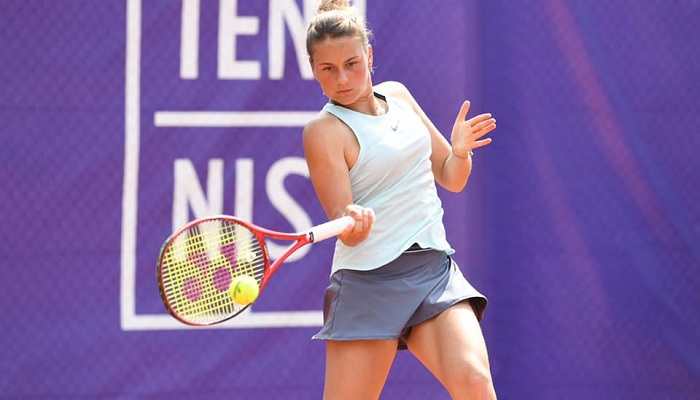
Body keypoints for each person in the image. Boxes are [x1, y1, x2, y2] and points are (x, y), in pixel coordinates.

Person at [302, 1, 498, 398]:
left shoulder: (399, 96)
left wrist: (460, 153)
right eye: (328, 69)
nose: (343, 78)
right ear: (314, 70)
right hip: (368, 281)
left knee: (475, 383)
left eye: (352, 63)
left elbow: (451, 177)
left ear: (369, 56)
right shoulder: (323, 132)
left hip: (432, 270)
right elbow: (346, 225)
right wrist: (352, 219)